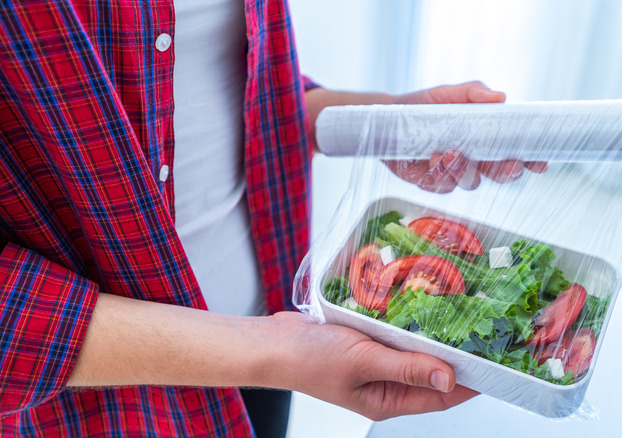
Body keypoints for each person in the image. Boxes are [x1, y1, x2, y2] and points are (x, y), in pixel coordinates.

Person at [0, 1, 543, 436]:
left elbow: (212, 89)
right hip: (101, 403)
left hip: (271, 327)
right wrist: (276, 354)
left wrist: (381, 122)